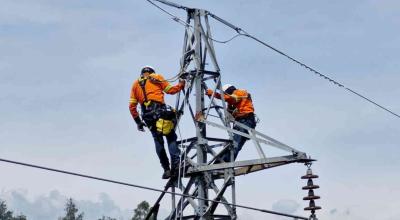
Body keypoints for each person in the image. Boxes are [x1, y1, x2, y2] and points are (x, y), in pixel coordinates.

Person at [129, 66, 185, 179]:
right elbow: (171, 90)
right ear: (151, 72)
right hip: (160, 112)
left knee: (158, 141)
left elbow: (132, 106)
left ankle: (166, 169)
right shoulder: (156, 77)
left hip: (147, 117)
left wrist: (138, 122)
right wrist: (182, 84)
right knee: (170, 137)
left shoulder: (135, 84)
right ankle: (177, 164)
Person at [206, 84, 257, 162]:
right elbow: (230, 107)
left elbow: (230, 98)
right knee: (233, 145)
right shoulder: (234, 98)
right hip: (242, 121)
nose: (225, 95)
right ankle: (221, 162)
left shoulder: (239, 92)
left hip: (246, 120)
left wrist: (214, 94)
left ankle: (224, 163)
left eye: (225, 93)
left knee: (235, 145)